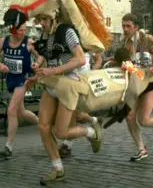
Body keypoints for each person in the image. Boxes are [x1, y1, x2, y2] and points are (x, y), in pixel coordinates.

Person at [29, 10, 102, 185]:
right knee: (43, 126)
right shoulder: (46, 34)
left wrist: (53, 70)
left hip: (69, 83)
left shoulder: (66, 31)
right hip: (53, 83)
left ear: (54, 16)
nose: (42, 23)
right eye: (39, 20)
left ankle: (91, 132)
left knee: (61, 132)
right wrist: (38, 65)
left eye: (45, 18)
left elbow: (80, 59)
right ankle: (57, 168)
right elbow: (46, 56)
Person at [120, 13, 153, 161]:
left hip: (148, 83)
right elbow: (127, 62)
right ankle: (141, 149)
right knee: (129, 117)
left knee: (143, 120)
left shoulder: (146, 39)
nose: (125, 29)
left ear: (136, 27)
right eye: (123, 26)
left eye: (128, 26)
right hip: (134, 82)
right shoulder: (124, 42)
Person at [0, 21, 42, 159]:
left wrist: (37, 63)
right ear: (13, 30)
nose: (23, 33)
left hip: (23, 79)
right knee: (21, 112)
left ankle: (8, 148)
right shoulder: (4, 41)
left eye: (25, 30)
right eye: (20, 30)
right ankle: (43, 125)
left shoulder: (29, 42)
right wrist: (0, 65)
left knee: (11, 110)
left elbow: (41, 55)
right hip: (11, 78)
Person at [58, 50, 104, 158]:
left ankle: (68, 145)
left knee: (73, 112)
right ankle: (94, 121)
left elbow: (99, 58)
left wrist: (93, 71)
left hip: (81, 83)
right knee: (75, 113)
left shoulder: (86, 45)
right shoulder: (66, 46)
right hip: (68, 81)